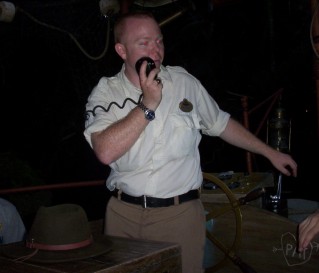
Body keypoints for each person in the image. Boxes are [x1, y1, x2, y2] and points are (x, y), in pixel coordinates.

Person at [84, 11, 298, 273]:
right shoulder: (106, 92)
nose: (156, 50)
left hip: (179, 216)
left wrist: (269, 153)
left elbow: (221, 124)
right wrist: (147, 106)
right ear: (121, 50)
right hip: (123, 217)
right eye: (144, 42)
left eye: (159, 41)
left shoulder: (185, 83)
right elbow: (105, 152)